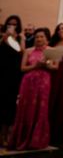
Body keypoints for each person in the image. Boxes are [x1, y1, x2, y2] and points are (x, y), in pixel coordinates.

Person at [8, 27, 58, 151]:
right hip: (28, 83)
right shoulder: (28, 51)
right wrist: (35, 65)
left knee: (40, 109)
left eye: (41, 37)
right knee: (25, 108)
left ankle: (36, 140)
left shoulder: (53, 51)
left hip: (44, 82)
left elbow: (55, 67)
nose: (39, 39)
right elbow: (22, 68)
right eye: (36, 37)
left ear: (47, 39)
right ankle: (21, 138)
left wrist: (45, 64)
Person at [0, 15, 24, 147]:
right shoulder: (2, 36)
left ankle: (4, 135)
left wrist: (12, 40)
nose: (12, 26)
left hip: (13, 76)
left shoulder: (20, 38)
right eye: (10, 23)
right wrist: (4, 39)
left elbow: (22, 51)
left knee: (9, 105)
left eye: (15, 24)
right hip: (1, 73)